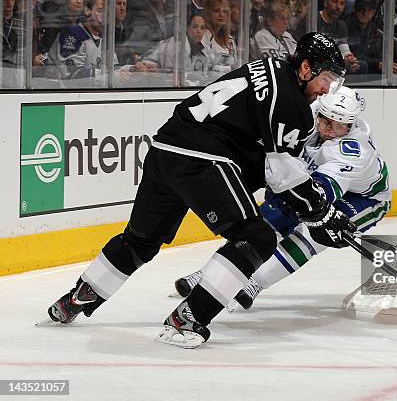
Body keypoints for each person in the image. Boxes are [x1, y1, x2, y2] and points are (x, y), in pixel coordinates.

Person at [47, 32, 354, 349]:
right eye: (326, 78)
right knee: (257, 237)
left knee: (140, 242)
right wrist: (322, 212)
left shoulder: (270, 67)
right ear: (305, 68)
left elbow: (260, 157)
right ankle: (188, 319)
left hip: (165, 150)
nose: (326, 90)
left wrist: (309, 207)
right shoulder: (292, 103)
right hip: (201, 160)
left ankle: (76, 298)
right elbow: (282, 174)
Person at [173, 86, 391, 311]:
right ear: (320, 113)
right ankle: (209, 275)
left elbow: (322, 192)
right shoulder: (309, 114)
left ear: (350, 124)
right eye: (326, 122)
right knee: (265, 222)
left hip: (364, 199)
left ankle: (254, 283)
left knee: (313, 235)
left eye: (339, 126)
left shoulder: (354, 150)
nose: (330, 130)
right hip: (317, 182)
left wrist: (292, 198)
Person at [135, 14, 210, 86]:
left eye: (202, 28)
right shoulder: (175, 45)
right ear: (187, 28)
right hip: (146, 76)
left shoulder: (203, 50)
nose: (199, 31)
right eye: (194, 27)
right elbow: (170, 76)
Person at [318, 0, 359, 73]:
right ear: (325, 3)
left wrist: (350, 60)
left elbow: (344, 50)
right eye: (335, 2)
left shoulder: (341, 25)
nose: (338, 7)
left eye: (342, 4)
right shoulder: (312, 19)